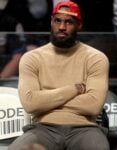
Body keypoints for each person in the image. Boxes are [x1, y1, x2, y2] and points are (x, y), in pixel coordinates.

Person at [8, 1, 110, 150]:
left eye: (69, 22)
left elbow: (93, 105)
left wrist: (45, 99)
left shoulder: (96, 58)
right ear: (51, 22)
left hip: (85, 129)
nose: (62, 27)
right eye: (57, 21)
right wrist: (73, 89)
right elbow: (30, 103)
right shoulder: (31, 58)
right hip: (42, 128)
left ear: (79, 25)